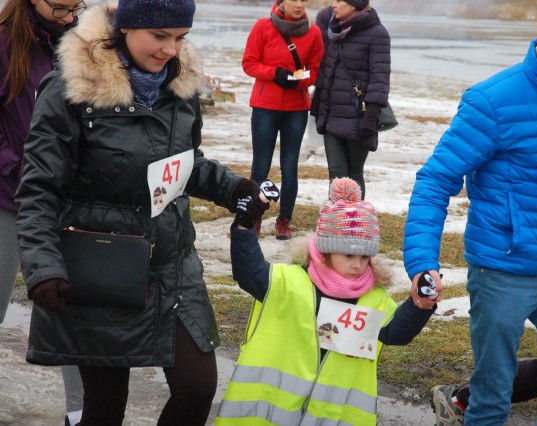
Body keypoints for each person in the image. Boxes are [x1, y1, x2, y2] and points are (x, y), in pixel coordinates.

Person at [14, 0, 270, 424]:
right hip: (101, 268)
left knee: (197, 387)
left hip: (172, 265)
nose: (171, 50)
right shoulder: (70, 90)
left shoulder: (180, 87)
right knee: (104, 408)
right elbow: (39, 188)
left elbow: (185, 162)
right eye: (160, 36)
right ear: (126, 29)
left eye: (180, 38)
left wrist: (235, 188)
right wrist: (42, 267)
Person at [403, 0, 537, 424]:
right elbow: (436, 180)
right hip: (504, 270)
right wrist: (423, 262)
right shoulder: (491, 102)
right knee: (492, 399)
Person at [216, 177, 437, 425]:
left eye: (365, 257)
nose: (357, 264)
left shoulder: (372, 299)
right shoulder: (288, 283)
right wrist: (245, 226)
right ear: (325, 251)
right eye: (349, 255)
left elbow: (394, 332)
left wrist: (420, 305)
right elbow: (249, 272)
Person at [0, 1, 86, 425]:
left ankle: (80, 412)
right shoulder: (4, 42)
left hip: (65, 202)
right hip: (7, 197)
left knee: (70, 307)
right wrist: (18, 168)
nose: (70, 17)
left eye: (77, 9)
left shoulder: (80, 43)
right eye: (62, 8)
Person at [242, 0, 323, 240]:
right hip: (265, 106)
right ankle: (253, 218)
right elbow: (249, 63)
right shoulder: (262, 27)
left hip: (296, 108)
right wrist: (274, 74)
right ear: (281, 2)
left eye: (304, 0)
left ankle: (284, 221)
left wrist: (298, 80)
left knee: (290, 168)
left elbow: (316, 70)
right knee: (260, 165)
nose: (299, 4)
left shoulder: (314, 32)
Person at [311, 0, 390, 199]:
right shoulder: (335, 30)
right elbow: (326, 70)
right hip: (332, 115)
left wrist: (370, 118)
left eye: (339, 1)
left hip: (359, 118)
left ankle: (355, 225)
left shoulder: (377, 34)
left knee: (354, 177)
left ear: (354, 5)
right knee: (336, 177)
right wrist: (317, 103)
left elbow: (379, 79)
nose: (333, 5)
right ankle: (336, 225)